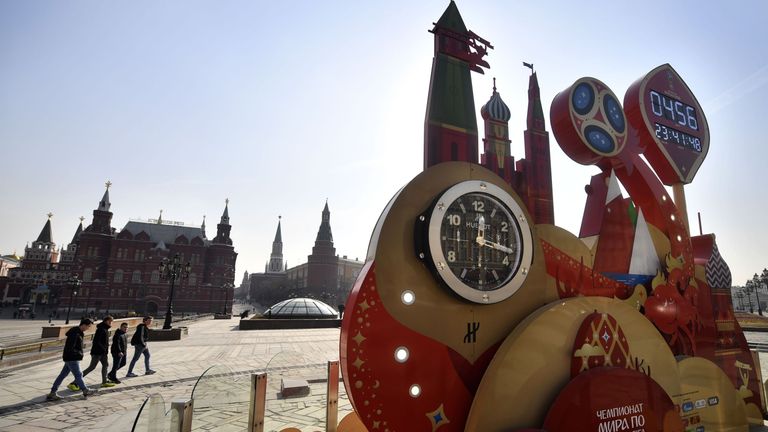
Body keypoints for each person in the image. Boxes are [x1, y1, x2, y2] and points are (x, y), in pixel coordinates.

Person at [46, 318, 98, 400]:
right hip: (72, 358)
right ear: (83, 325)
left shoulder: (77, 332)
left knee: (62, 375)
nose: (88, 328)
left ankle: (52, 393)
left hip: (69, 357)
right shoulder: (75, 333)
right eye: (88, 326)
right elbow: (71, 347)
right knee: (78, 375)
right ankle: (85, 390)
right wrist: (78, 354)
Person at [68, 316, 114, 390]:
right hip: (98, 352)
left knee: (105, 365)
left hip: (102, 352)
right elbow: (96, 341)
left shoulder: (104, 329)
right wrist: (103, 349)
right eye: (110, 321)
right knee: (92, 367)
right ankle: (74, 383)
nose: (111, 323)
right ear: (106, 321)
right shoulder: (101, 329)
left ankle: (105, 381)